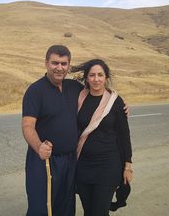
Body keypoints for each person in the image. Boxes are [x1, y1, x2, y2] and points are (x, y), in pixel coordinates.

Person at [22, 45, 129, 216]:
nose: (59, 68)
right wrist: (39, 147)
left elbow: (98, 93)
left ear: (69, 66)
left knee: (65, 206)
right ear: (46, 63)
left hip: (70, 160)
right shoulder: (35, 91)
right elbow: (27, 126)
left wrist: (118, 105)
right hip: (44, 160)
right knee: (41, 207)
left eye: (64, 64)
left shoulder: (75, 88)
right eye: (55, 63)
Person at [71, 59, 133, 216]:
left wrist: (127, 165)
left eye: (100, 75)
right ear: (86, 78)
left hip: (108, 165)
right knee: (88, 212)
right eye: (92, 75)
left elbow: (124, 135)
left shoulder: (116, 102)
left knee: (99, 212)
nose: (96, 79)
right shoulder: (79, 98)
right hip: (83, 165)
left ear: (106, 78)